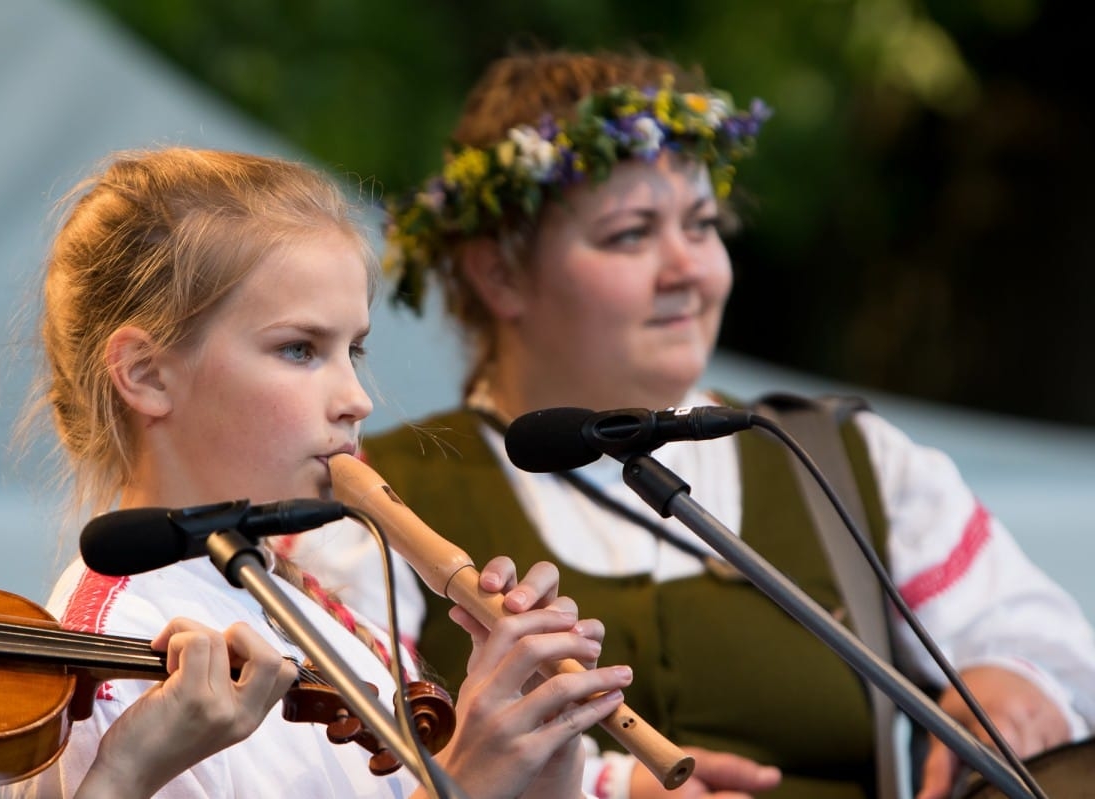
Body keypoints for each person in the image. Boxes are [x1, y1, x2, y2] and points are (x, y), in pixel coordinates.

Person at [288, 50, 1095, 799]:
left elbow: (1036, 637)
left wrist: (1013, 683)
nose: (690, 269)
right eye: (631, 233)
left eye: (703, 225)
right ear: (500, 272)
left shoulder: (843, 460)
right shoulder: (369, 502)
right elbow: (325, 769)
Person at [0, 146, 633, 798]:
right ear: (147, 374)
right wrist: (463, 782)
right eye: (300, 349)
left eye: (352, 349)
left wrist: (539, 769)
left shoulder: (327, 616)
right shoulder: (109, 656)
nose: (356, 397)